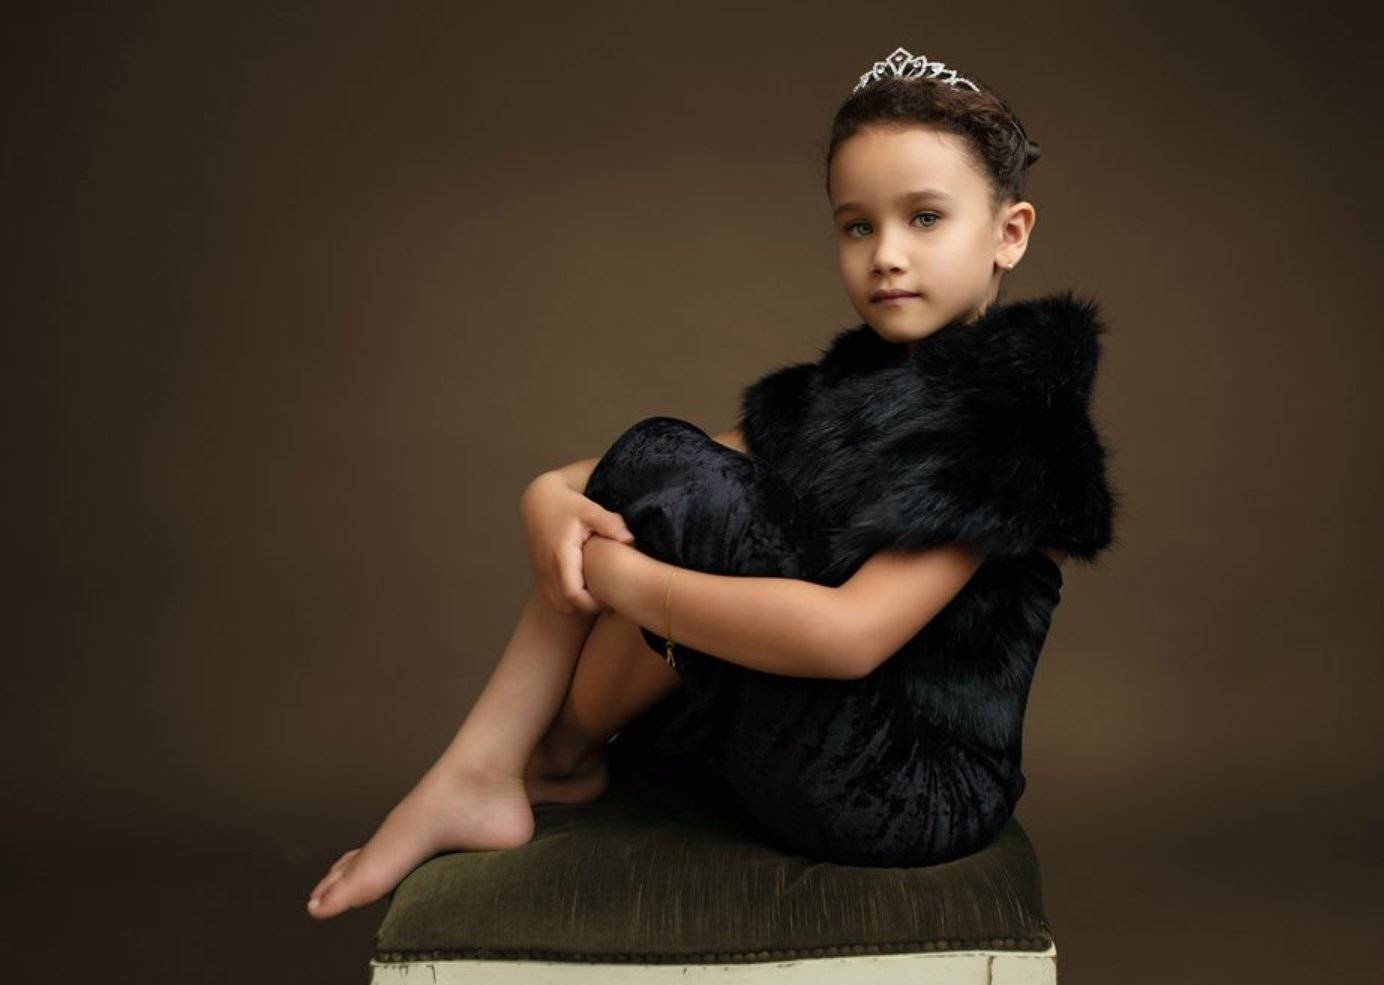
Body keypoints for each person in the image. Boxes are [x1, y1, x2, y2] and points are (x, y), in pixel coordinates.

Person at [307, 45, 1118, 919]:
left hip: (908, 789)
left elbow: (849, 638)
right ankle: (519, 764)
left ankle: (521, 761)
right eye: (857, 226)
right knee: (672, 462)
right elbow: (632, 476)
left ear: (1009, 234)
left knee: (691, 487)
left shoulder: (1017, 422)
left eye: (924, 219)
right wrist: (544, 496)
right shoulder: (850, 390)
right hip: (813, 743)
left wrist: (621, 576)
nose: (886, 255)